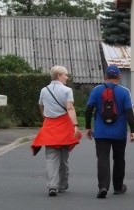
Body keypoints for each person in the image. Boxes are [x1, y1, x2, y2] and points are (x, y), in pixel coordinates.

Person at [85, 65, 134, 199]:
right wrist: (133, 130)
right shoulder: (125, 92)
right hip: (119, 132)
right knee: (119, 159)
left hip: (101, 132)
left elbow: (89, 109)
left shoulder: (96, 90)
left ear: (105, 76)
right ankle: (118, 187)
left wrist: (88, 127)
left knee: (102, 158)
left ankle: (103, 186)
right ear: (119, 77)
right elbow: (129, 112)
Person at [31, 65, 82, 197]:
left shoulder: (44, 90)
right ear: (59, 75)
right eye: (65, 75)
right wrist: (75, 125)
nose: (67, 77)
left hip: (49, 126)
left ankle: (52, 186)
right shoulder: (67, 90)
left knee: (50, 158)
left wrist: (45, 117)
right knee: (64, 159)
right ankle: (62, 184)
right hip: (64, 126)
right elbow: (70, 108)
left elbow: (41, 106)